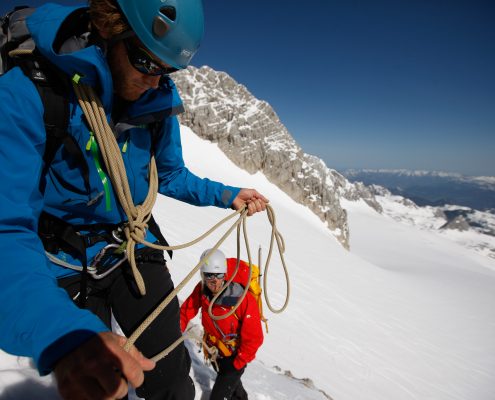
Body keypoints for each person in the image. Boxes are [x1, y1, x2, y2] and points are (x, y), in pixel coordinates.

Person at [0, 1, 268, 399]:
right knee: (103, 386)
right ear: (109, 29)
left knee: (174, 383)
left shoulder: (157, 101)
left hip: (133, 248)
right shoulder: (30, 94)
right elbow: (6, 228)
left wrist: (230, 196)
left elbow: (171, 174)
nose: (156, 79)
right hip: (65, 261)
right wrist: (62, 334)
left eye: (168, 68)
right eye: (146, 60)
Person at [180, 249, 264, 400]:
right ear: (203, 276)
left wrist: (237, 363)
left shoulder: (243, 299)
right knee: (234, 388)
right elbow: (186, 311)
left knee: (220, 394)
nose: (215, 281)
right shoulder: (202, 291)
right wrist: (173, 332)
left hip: (234, 356)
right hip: (215, 352)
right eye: (209, 275)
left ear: (225, 274)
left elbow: (255, 337)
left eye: (218, 275)